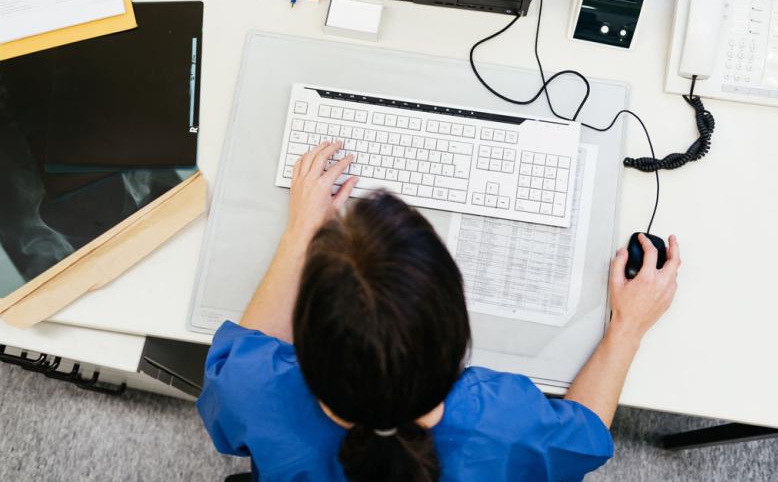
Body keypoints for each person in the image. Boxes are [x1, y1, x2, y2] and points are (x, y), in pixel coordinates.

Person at [198, 141, 681, 481]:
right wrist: (628, 328)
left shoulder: (253, 388)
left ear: (302, 345)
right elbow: (586, 438)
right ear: (457, 340)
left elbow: (242, 353)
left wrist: (302, 232)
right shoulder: (505, 421)